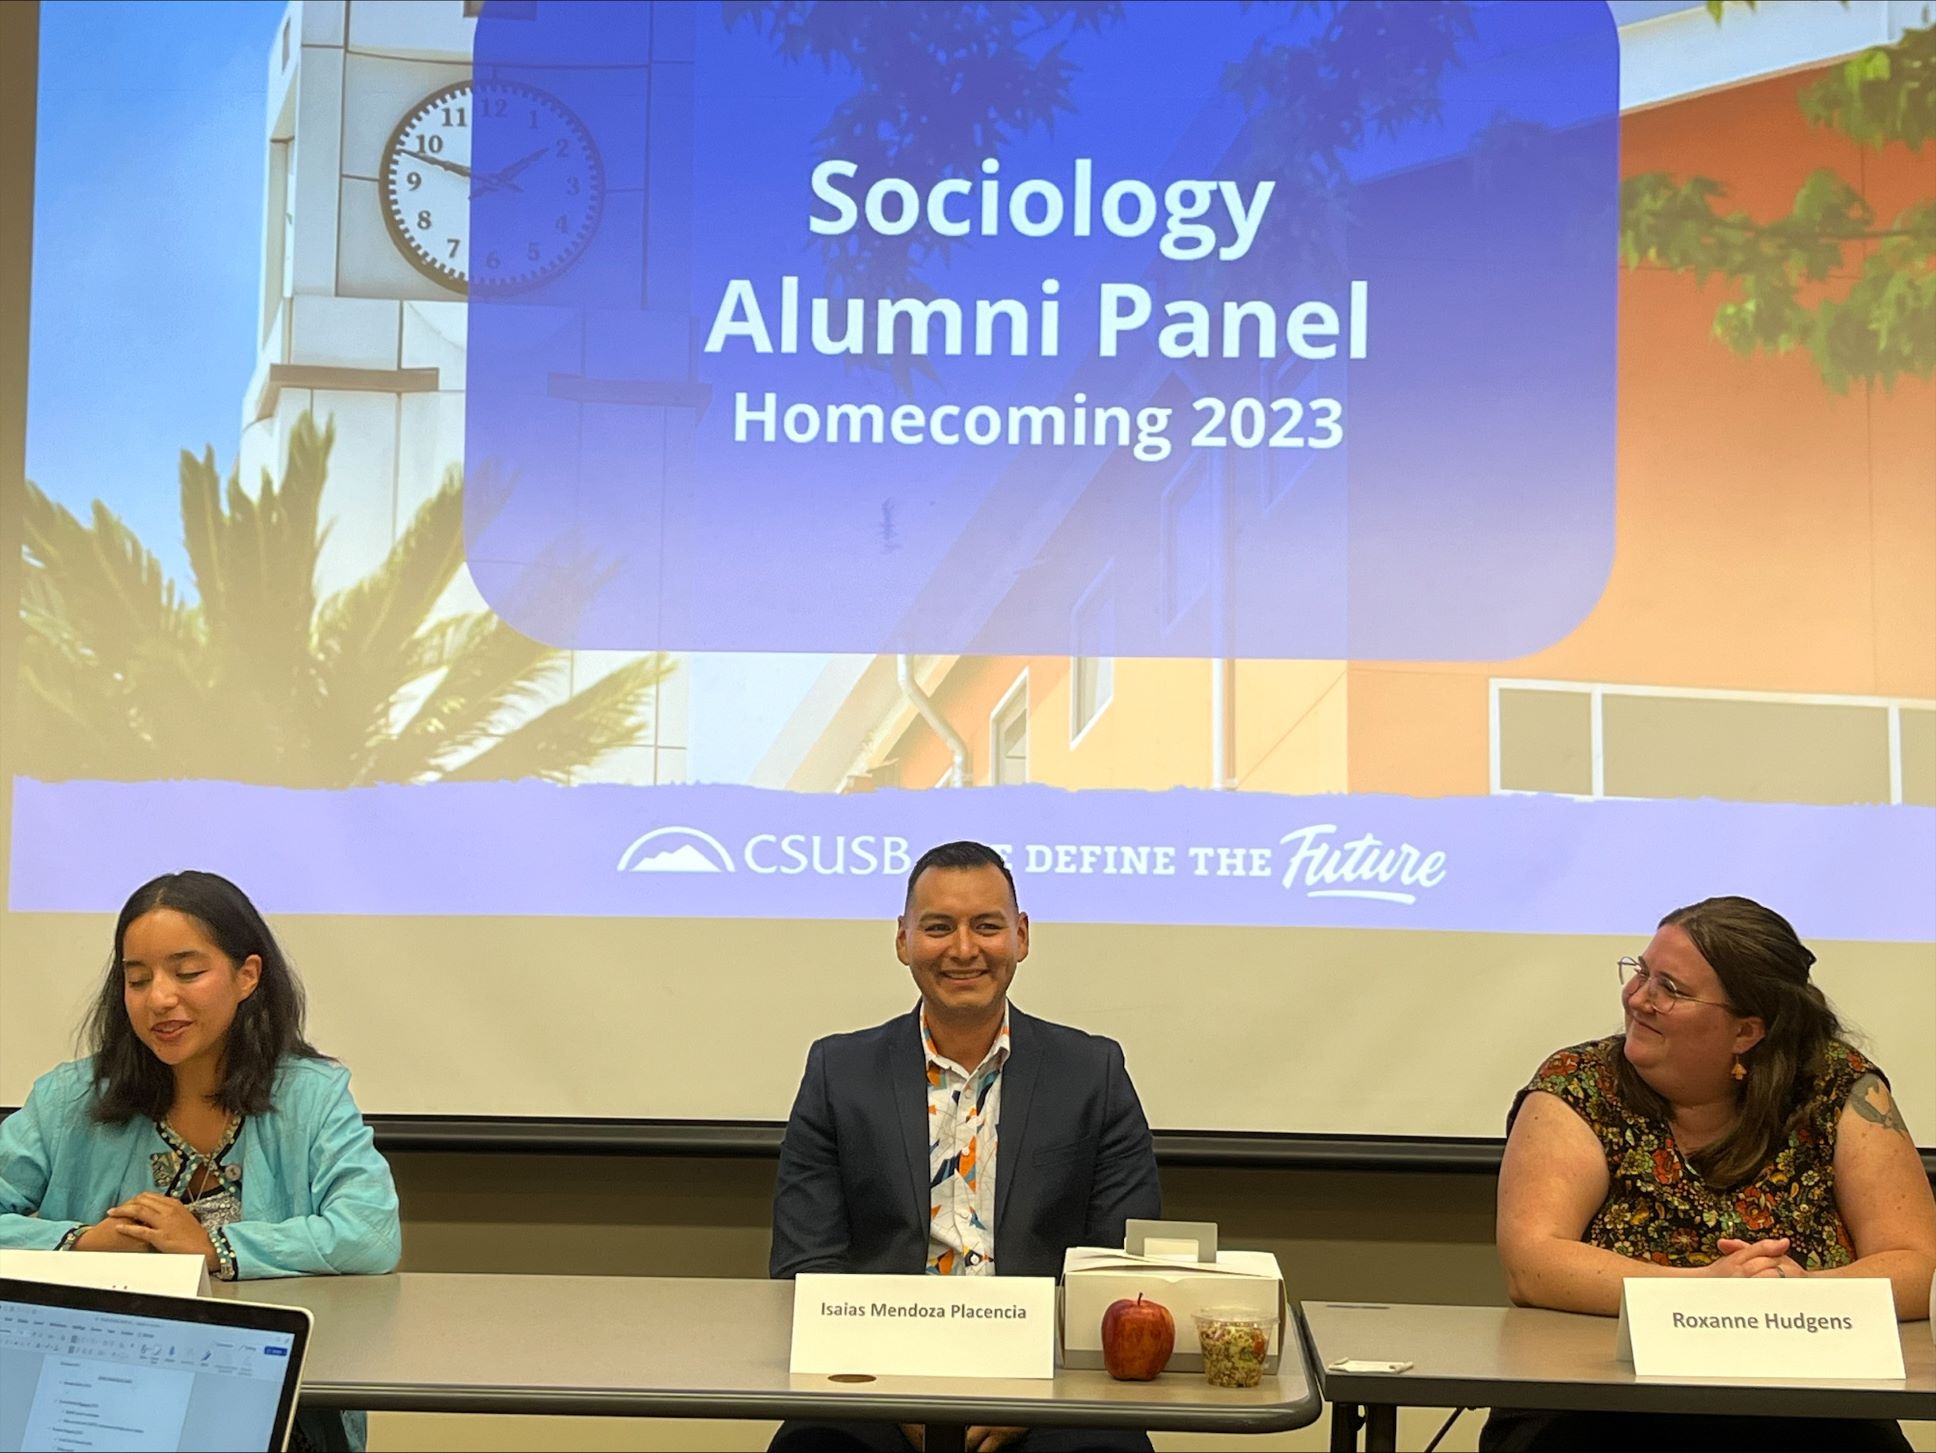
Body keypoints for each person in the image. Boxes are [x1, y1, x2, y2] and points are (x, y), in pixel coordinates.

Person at [1488, 895, 1936, 1452]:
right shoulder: (1578, 1084)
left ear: (1747, 1032)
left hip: (1811, 1399)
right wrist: (1706, 1293)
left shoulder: (1838, 1088)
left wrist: (1800, 1294)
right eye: (1642, 973)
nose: (1638, 999)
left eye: (1669, 989)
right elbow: (1533, 1264)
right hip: (1601, 1400)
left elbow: (1921, 1268)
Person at [768, 841, 1162, 1453]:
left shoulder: (1093, 1072)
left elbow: (1118, 1268)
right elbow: (806, 1267)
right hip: (871, 1381)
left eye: (986, 926)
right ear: (903, 940)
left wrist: (1027, 1402)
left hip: (1048, 1386)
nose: (962, 949)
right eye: (937, 927)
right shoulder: (837, 1071)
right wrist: (894, 1398)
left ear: (1021, 936)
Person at [0, 870, 402, 1452]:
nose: (160, 998)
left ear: (247, 976)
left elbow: (370, 1232)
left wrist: (214, 1248)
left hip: (259, 1395)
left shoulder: (311, 1096)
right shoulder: (70, 1099)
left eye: (188, 973)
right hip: (94, 1393)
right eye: (137, 980)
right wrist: (83, 1243)